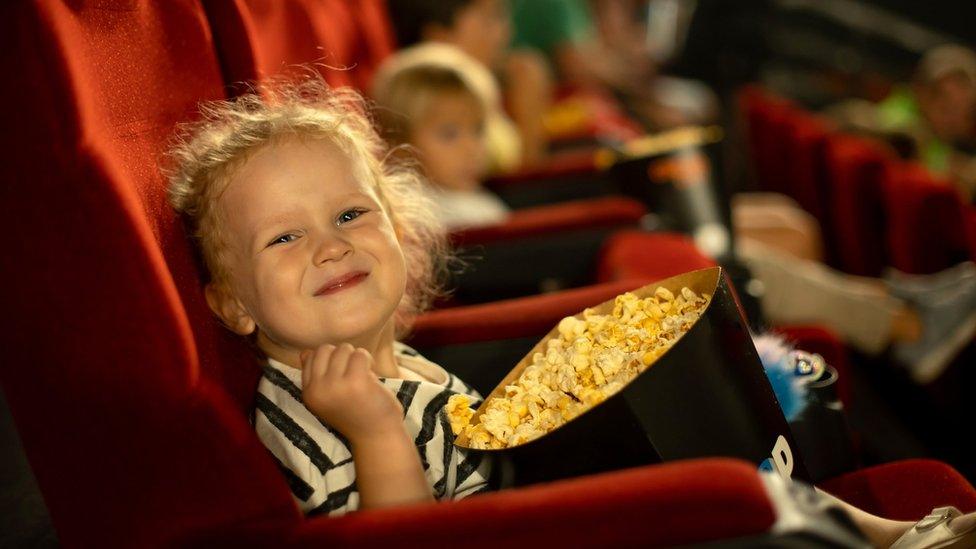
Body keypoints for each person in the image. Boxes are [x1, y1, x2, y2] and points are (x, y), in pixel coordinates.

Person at [165, 76, 976, 547]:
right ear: (232, 304)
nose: (330, 247)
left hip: (526, 506)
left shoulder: (396, 356)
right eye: (284, 237)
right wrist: (376, 430)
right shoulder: (310, 416)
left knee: (747, 437)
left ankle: (888, 533)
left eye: (349, 216)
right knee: (732, 491)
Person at [386, 0, 553, 167]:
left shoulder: (488, 85)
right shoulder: (435, 100)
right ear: (440, 34)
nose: (505, 32)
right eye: (489, 18)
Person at [372, 45, 511, 230]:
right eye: (449, 134)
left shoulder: (475, 202)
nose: (472, 148)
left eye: (478, 130)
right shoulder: (412, 221)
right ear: (400, 143)